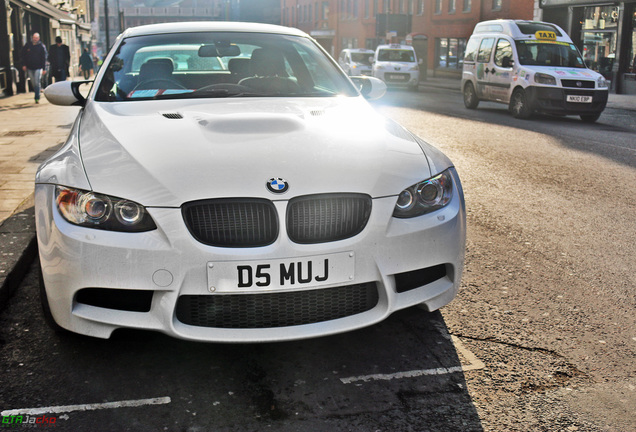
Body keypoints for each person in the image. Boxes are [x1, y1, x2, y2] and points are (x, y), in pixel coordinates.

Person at [21, 32, 47, 103]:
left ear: (38, 38)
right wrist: (24, 65)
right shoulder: (28, 45)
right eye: (34, 38)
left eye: (36, 38)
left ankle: (37, 97)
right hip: (30, 67)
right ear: (32, 38)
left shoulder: (41, 46)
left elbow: (44, 58)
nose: (35, 39)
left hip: (38, 67)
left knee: (36, 81)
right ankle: (37, 91)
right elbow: (23, 55)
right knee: (33, 82)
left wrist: (44, 68)